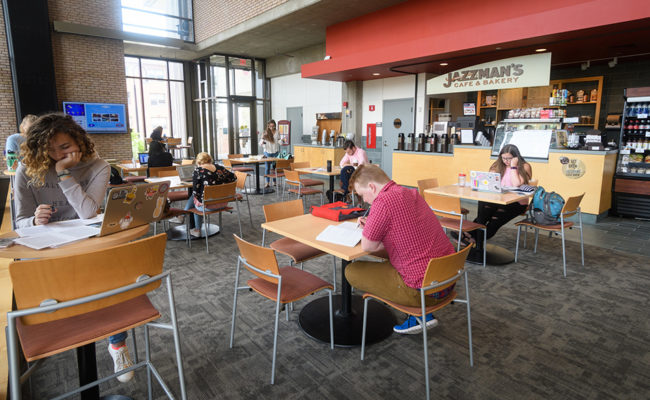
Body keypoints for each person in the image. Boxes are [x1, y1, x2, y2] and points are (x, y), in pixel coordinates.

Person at [14, 113, 134, 383]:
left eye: (65, 147)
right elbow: (19, 222)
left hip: (86, 247)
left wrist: (64, 174)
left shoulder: (98, 167)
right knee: (92, 284)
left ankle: (117, 342)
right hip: (47, 252)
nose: (58, 155)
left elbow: (88, 212)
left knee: (107, 275)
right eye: (50, 149)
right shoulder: (26, 170)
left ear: (79, 141)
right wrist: (33, 220)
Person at [344, 164, 456, 334]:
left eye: (362, 195)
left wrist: (370, 228)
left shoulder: (382, 202)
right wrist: (374, 225)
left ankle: (418, 314)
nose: (365, 201)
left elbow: (368, 246)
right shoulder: (411, 193)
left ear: (372, 187)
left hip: (424, 292)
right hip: (448, 279)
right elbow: (406, 227)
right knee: (393, 256)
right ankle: (419, 314)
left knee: (351, 271)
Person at [465, 144, 532, 261]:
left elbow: (516, 184)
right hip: (499, 200)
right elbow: (489, 182)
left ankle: (470, 236)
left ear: (516, 157)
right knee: (483, 207)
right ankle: (477, 244)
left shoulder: (525, 166)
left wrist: (513, 166)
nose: (506, 161)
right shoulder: (497, 165)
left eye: (509, 158)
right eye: (504, 158)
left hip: (517, 203)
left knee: (494, 221)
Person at [184, 152, 236, 237]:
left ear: (199, 162)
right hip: (223, 203)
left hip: (207, 206)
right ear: (210, 159)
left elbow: (195, 192)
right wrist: (221, 184)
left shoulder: (198, 171)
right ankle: (182, 215)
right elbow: (233, 178)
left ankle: (196, 228)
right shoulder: (220, 168)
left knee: (195, 199)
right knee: (198, 197)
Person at [259, 119, 280, 188]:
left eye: (273, 126)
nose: (271, 128)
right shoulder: (265, 132)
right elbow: (260, 143)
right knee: (267, 168)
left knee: (274, 168)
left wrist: (282, 141)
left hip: (275, 152)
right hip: (267, 152)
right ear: (268, 126)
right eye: (270, 126)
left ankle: (274, 182)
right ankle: (267, 182)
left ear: (274, 125)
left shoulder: (277, 132)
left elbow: (279, 140)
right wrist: (262, 143)